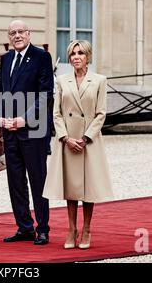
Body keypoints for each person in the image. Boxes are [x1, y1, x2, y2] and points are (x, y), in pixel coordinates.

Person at [43, 40, 113, 250]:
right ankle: (71, 229)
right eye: (72, 53)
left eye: (80, 53)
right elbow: (56, 113)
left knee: (88, 188)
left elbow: (101, 114)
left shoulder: (100, 80)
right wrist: (65, 137)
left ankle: (87, 229)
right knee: (71, 187)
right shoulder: (62, 81)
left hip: (89, 141)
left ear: (88, 57)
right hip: (68, 140)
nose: (76, 57)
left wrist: (86, 138)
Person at [0, 20, 54, 245]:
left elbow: (45, 94)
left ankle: (42, 228)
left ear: (29, 34)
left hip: (33, 130)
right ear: (9, 37)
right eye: (13, 33)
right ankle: (24, 227)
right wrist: (2, 120)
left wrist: (24, 119)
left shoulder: (41, 57)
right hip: (10, 131)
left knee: (38, 180)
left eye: (21, 32)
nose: (17, 35)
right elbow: (4, 92)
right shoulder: (6, 59)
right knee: (16, 181)